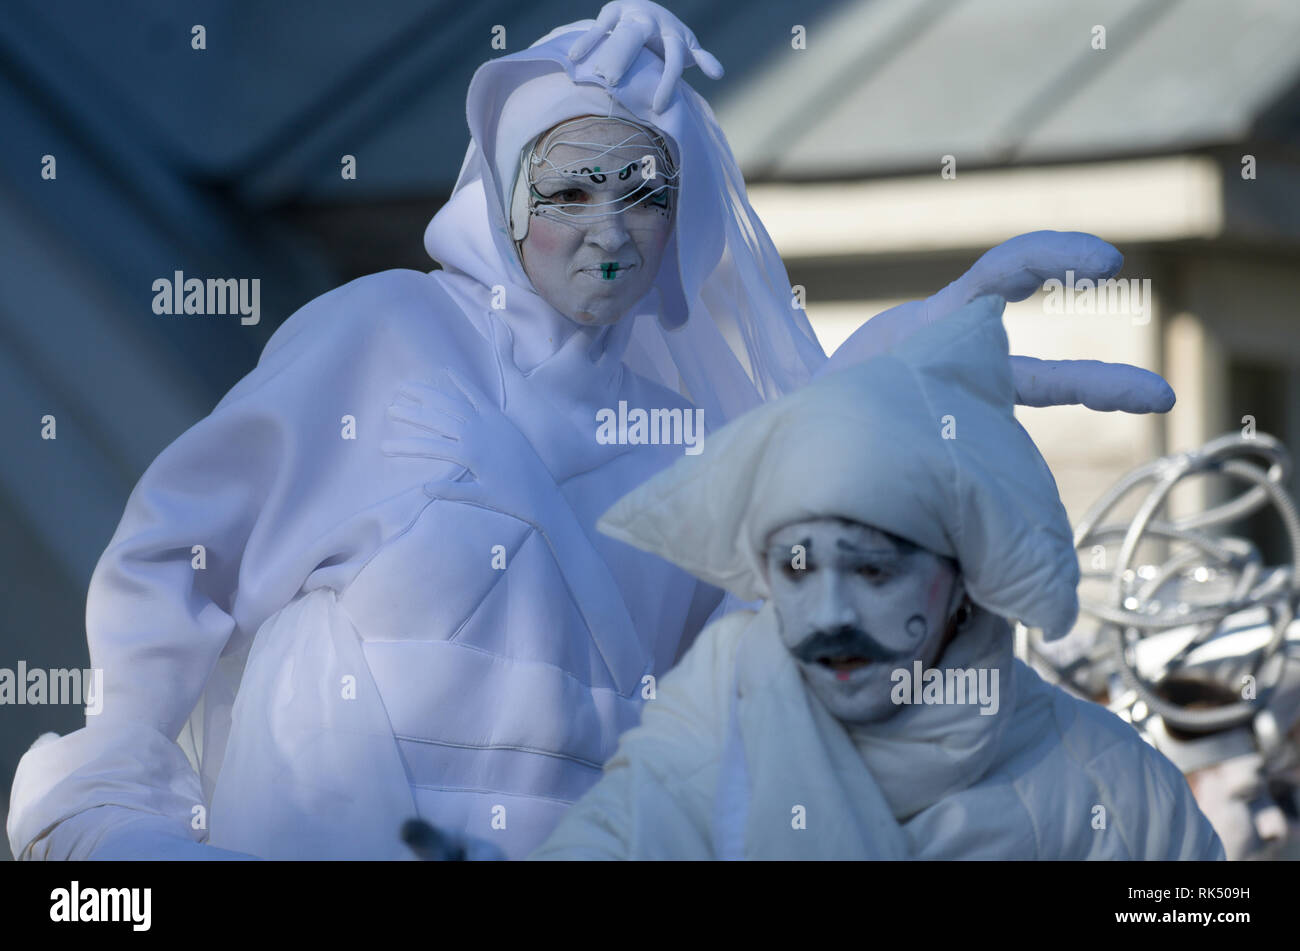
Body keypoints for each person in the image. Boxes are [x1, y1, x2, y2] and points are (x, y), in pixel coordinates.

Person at [8, 2, 1177, 861]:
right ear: (505, 200)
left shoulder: (696, 443)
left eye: (644, 190)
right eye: (569, 190)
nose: (608, 230)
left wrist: (851, 428)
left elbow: (755, 700)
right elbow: (179, 552)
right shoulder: (385, 339)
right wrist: (114, 792)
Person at [532, 295, 1225, 860]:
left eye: (874, 570)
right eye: (797, 567)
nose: (831, 612)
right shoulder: (711, 717)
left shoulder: (1119, 793)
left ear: (962, 576)